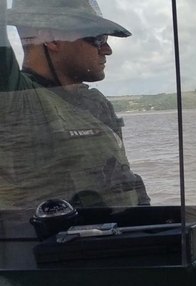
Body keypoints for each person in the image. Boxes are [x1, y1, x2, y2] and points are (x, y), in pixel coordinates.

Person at [0, 0, 149, 209]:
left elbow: (126, 180)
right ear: (52, 39)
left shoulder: (96, 104)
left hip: (125, 229)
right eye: (97, 38)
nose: (107, 50)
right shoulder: (16, 99)